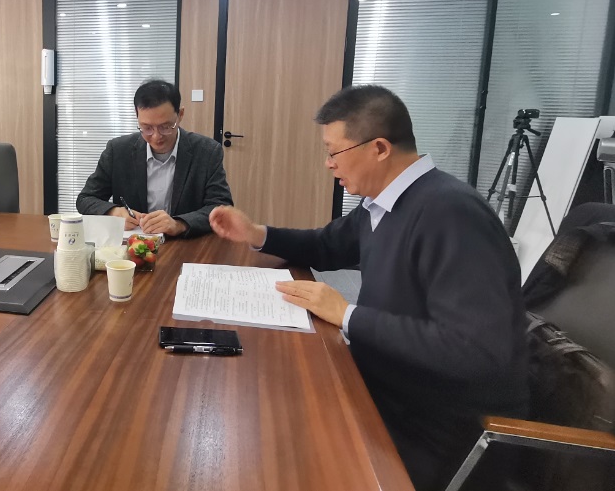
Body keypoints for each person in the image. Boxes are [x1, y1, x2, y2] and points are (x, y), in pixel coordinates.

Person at [209, 85, 528, 491]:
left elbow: (476, 351)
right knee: (267, 400)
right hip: (387, 386)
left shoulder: (451, 214)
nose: (328, 164)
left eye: (334, 152)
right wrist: (256, 233)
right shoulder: (385, 202)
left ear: (379, 148)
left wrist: (347, 315)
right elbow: (327, 245)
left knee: (278, 451)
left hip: (437, 428)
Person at [76, 80, 232, 237]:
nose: (157, 136)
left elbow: (221, 206)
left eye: (166, 127)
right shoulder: (118, 150)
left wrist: (179, 224)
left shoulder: (207, 151)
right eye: (147, 128)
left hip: (185, 244)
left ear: (180, 114)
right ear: (137, 116)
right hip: (133, 245)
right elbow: (85, 199)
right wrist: (113, 211)